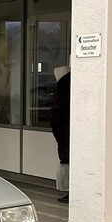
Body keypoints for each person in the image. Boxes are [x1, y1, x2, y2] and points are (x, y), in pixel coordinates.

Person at [50, 68, 71, 203]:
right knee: (68, 159)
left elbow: (59, 112)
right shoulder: (67, 87)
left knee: (67, 159)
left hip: (64, 132)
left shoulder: (63, 89)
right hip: (65, 132)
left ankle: (70, 190)